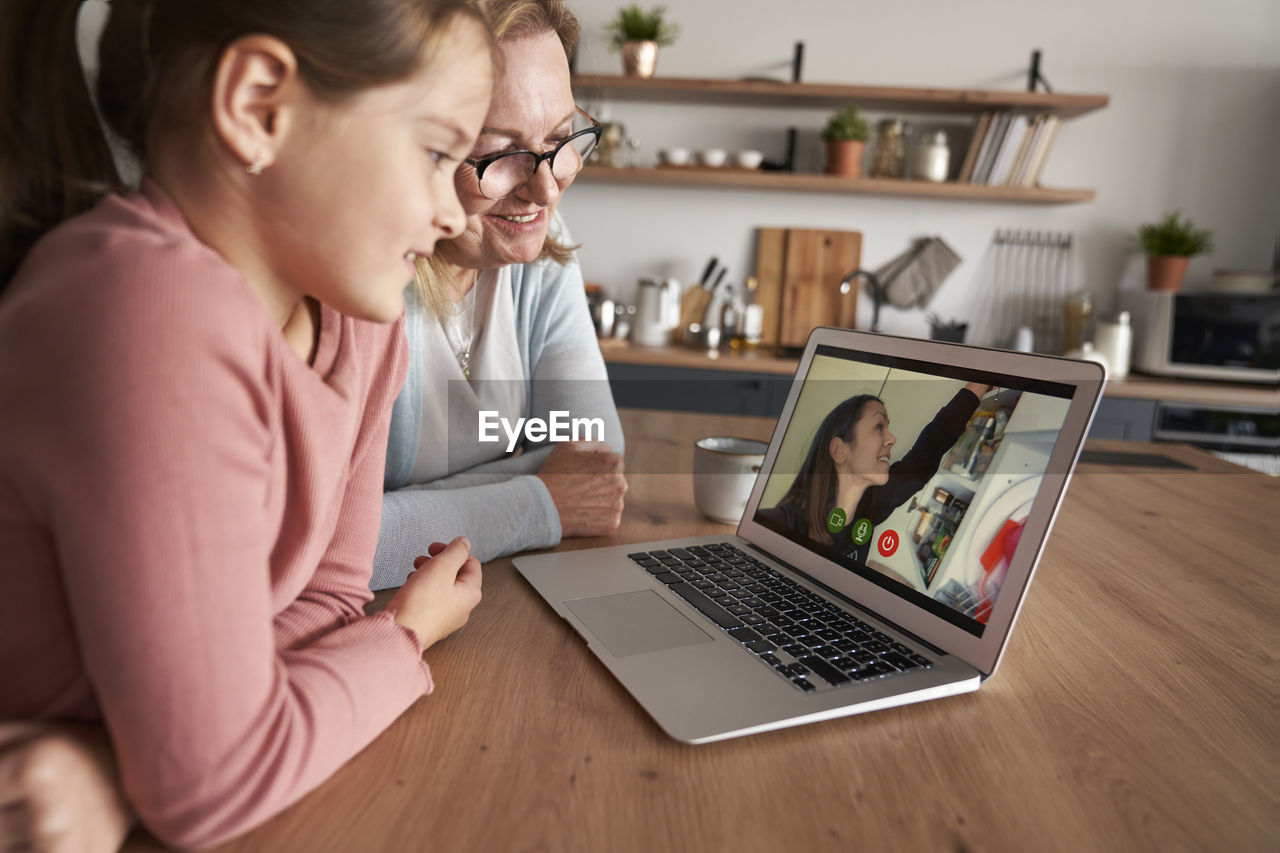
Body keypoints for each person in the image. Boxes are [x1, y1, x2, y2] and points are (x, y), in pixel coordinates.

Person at [0, 0, 493, 849]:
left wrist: (120, 766)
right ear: (258, 106)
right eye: (439, 151)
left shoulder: (367, 328)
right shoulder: (149, 308)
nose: (459, 212)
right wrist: (403, 636)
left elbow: (328, 595)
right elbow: (215, 780)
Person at [374, 0, 627, 589]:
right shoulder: (367, 280)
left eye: (562, 139)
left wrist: (408, 510)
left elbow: (595, 463)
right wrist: (539, 501)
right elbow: (335, 542)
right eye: (499, 152)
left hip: (495, 599)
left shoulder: (543, 248)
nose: (544, 187)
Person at [759, 383, 992, 565]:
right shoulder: (778, 524)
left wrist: (978, 385)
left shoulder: (875, 501)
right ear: (839, 450)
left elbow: (929, 449)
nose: (891, 439)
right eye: (879, 427)